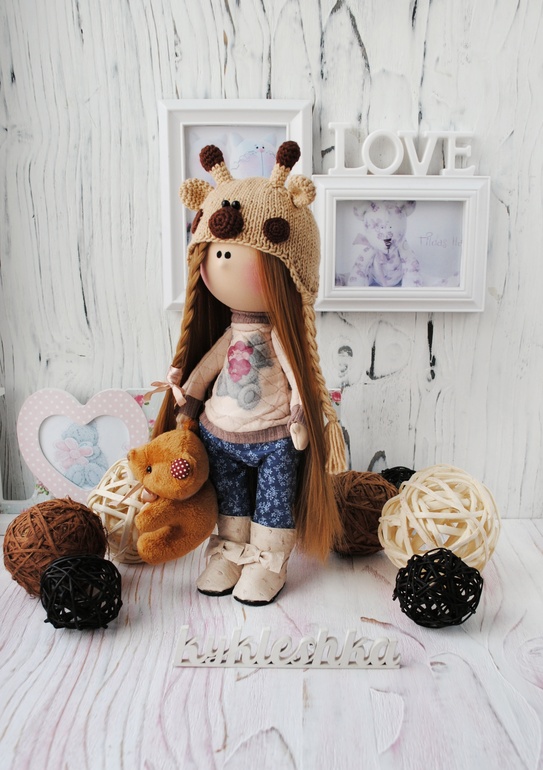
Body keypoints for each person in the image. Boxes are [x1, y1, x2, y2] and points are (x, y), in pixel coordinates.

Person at [152, 141, 345, 605]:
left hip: (276, 436)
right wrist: (187, 404)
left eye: (240, 252)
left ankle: (268, 561)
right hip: (220, 432)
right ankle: (230, 552)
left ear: (291, 273)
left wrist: (299, 413)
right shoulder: (228, 334)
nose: (221, 259)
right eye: (216, 251)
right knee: (231, 498)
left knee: (274, 502)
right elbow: (203, 372)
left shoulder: (279, 337)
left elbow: (297, 379)